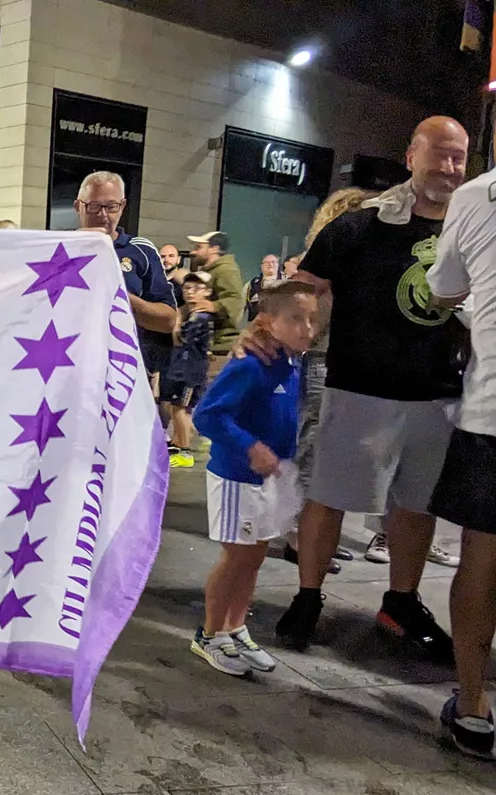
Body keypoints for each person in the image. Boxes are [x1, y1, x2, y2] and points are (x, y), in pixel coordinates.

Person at [264, 116, 470, 657]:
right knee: (329, 498)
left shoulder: (472, 228)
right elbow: (303, 290)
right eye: (440, 154)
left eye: (459, 158)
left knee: (416, 507)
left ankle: (400, 602)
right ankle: (308, 597)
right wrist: (268, 334)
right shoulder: (361, 225)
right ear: (411, 155)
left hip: (439, 395)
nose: (449, 168)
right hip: (360, 389)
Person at [190, 281, 319, 676]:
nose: (307, 328)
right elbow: (207, 414)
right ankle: (209, 634)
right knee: (237, 557)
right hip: (237, 477)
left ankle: (235, 626)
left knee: (255, 555)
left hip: (268, 478)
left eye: (313, 320)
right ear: (267, 321)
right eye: (296, 318)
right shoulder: (250, 363)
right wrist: (249, 447)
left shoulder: (291, 362)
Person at [426, 163, 496, 758]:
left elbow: (444, 290)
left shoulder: (475, 195)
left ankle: (474, 707)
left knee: (482, 559)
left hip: (492, 414)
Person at [280, 189, 377, 571]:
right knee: (310, 450)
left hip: (343, 366)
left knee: (328, 456)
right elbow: (311, 325)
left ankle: (314, 537)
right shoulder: (326, 266)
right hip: (322, 362)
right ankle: (296, 536)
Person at [73, 171, 177, 339]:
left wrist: (117, 295)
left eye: (111, 206)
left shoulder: (141, 250)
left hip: (122, 358)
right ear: (78, 207)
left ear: (122, 206)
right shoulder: (58, 249)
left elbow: (168, 321)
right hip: (67, 357)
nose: (103, 214)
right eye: (93, 206)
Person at [160, 272, 215, 468]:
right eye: (187, 288)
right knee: (178, 408)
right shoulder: (191, 314)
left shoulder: (200, 317)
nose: (191, 293)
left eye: (197, 289)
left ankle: (185, 451)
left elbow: (179, 337)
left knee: (180, 409)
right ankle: (184, 443)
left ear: (208, 292)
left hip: (189, 371)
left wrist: (176, 322)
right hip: (182, 368)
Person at [186, 231, 247, 387]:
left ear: (214, 249)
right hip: (205, 346)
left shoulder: (225, 270)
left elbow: (234, 300)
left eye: (198, 247)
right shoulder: (210, 271)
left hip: (218, 348)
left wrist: (212, 306)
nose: (193, 252)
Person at [245, 253, 280, 321]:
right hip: (257, 324)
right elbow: (240, 307)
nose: (270, 264)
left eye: (273, 262)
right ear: (261, 266)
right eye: (267, 262)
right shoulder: (251, 284)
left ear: (278, 265)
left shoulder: (287, 282)